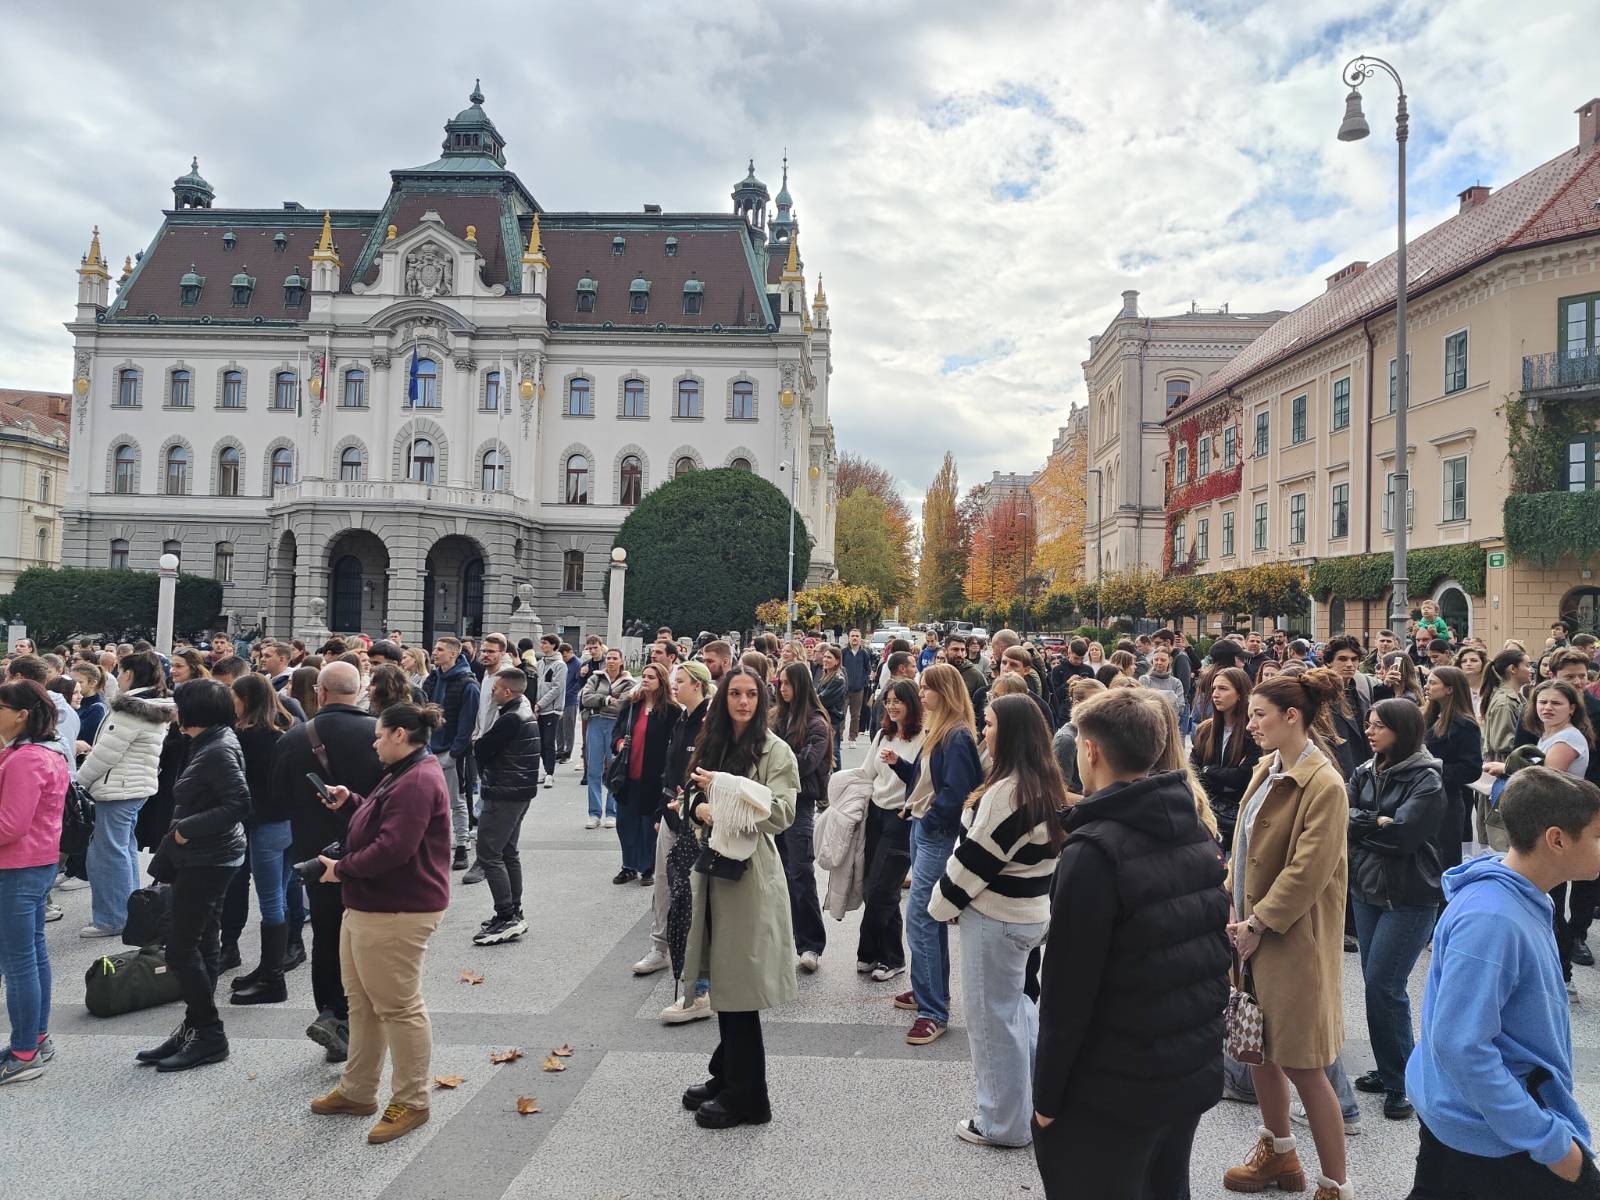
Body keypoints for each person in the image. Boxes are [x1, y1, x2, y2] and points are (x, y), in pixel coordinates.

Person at [1032, 687, 1231, 1199]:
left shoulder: (1093, 851)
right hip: (1183, 1067)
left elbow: (1067, 990)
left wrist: (1046, 1097)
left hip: (1114, 1082)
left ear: (1091, 750)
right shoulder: (1195, 828)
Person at [1405, 767, 1600, 1197]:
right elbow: (1461, 1045)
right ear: (1557, 839)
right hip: (1494, 1134)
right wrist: (1551, 1144)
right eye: (1597, 835)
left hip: (1470, 1117)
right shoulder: (1492, 919)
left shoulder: (1523, 895)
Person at [1222, 669, 1353, 1198]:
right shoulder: (1268, 766)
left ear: (1291, 717)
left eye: (1259, 715)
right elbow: (1243, 848)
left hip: (1291, 942)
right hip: (1249, 935)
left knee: (1304, 1065)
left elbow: (1308, 871)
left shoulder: (1324, 783)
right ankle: (1279, 1153)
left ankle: (1335, 1185)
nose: (1250, 724)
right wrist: (1231, 902)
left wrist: (1257, 923)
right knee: (1257, 1049)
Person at [308, 703, 452, 1144]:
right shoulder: (405, 771)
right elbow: (383, 824)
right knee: (363, 1004)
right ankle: (358, 1090)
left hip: (397, 909)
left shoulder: (418, 778)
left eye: (378, 735)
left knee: (399, 1008)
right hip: (372, 905)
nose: (373, 743)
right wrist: (351, 802)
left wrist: (341, 869)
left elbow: (394, 849)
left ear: (400, 734)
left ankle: (412, 1101)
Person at [929, 693, 1063, 1148]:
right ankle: (1032, 1106)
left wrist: (939, 907)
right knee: (1016, 1011)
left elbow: (974, 861)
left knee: (992, 1022)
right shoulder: (1044, 782)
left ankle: (1001, 1123)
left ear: (1011, 733)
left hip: (996, 918)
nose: (982, 731)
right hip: (1027, 915)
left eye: (988, 723)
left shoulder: (1008, 793)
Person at [677, 666, 801, 1129]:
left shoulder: (776, 750)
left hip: (749, 877)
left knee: (740, 987)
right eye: (735, 694)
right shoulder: (712, 741)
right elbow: (689, 796)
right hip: (712, 869)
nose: (744, 702)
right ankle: (727, 1073)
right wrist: (700, 809)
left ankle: (750, 1098)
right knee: (725, 980)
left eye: (751, 694)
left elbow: (782, 813)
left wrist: (726, 798)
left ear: (763, 700)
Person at [136, 679, 250, 1073]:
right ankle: (195, 1026)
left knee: (181, 948)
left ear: (194, 711)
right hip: (210, 854)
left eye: (180, 705)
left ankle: (209, 1032)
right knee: (202, 942)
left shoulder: (217, 748)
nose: (174, 711)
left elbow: (239, 803)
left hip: (207, 857)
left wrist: (186, 830)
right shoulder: (210, 741)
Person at [1346, 698, 1445, 1121]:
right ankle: (1391, 1069)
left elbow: (1404, 836)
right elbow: (1341, 818)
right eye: (1368, 724)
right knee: (1376, 984)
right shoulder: (1364, 770)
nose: (1369, 732)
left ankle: (1403, 1080)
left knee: (1385, 985)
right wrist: (1376, 822)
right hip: (1366, 888)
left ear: (1402, 731)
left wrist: (1364, 825)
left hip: (1409, 894)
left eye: (1379, 726)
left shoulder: (1427, 778)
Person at [894, 663, 982, 1045]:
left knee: (923, 916)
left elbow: (958, 790)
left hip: (936, 833)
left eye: (926, 688)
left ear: (944, 692)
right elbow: (925, 779)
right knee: (928, 914)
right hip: (923, 827)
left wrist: (930, 820)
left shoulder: (956, 735)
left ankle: (933, 1010)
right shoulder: (939, 729)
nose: (921, 694)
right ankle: (928, 989)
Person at [0, 681, 69, 1084]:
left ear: (22, 714)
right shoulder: (44, 752)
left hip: (17, 867)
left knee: (18, 962)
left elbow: (10, 825)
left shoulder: (26, 759)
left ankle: (25, 1051)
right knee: (31, 956)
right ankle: (35, 1040)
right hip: (35, 863)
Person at [77, 650, 174, 939]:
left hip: (118, 788)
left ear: (129, 674)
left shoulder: (131, 709)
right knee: (122, 849)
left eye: (120, 672)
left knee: (107, 854)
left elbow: (106, 754)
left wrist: (78, 782)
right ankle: (129, 911)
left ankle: (113, 917)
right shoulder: (152, 705)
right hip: (131, 786)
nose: (117, 677)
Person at [640, 661, 714, 1023]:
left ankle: (697, 974)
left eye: (679, 681)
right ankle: (660, 948)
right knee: (662, 883)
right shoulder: (682, 718)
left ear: (697, 685)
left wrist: (691, 805)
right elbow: (669, 768)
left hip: (694, 817)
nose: (674, 686)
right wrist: (662, 807)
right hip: (671, 812)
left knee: (690, 893)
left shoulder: (708, 723)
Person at [226, 674, 297, 1006]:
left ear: (247, 700)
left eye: (234, 697)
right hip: (289, 821)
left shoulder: (249, 736)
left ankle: (273, 979)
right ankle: (270, 968)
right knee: (278, 895)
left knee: (270, 900)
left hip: (265, 822)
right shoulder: (287, 726)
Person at [472, 668, 541, 946]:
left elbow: (482, 748)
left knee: (489, 853)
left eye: (496, 688)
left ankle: (507, 916)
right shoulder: (522, 710)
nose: (492, 692)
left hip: (504, 791)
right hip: (518, 791)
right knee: (508, 851)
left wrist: (478, 747)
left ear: (508, 692)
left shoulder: (511, 717)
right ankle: (513, 910)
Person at [771, 662, 831, 972]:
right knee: (775, 874)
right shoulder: (776, 717)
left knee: (800, 873)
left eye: (788, 683)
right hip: (771, 801)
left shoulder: (816, 722)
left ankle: (810, 944)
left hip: (800, 803)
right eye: (780, 683)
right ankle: (781, 940)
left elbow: (805, 764)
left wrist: (774, 760)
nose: (782, 689)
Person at [610, 662, 678, 886]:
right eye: (644, 676)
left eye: (651, 677)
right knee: (625, 822)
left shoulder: (672, 711)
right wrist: (619, 743)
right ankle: (628, 865)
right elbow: (617, 731)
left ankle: (647, 867)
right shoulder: (632, 704)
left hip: (654, 776)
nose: (646, 680)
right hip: (627, 774)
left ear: (662, 681)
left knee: (648, 823)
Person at [1190, 666, 1262, 853]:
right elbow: (1193, 772)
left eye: (1223, 689)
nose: (1215, 694)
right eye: (1214, 688)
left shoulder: (1254, 732)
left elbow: (1244, 777)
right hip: (1208, 817)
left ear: (1240, 694)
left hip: (1239, 819)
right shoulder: (1206, 730)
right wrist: (1222, 775)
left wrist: (1210, 770)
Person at [1421, 666, 1484, 874]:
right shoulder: (1430, 716)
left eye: (1432, 683)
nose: (1427, 687)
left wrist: (1433, 769)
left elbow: (1471, 769)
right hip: (1424, 799)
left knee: (1444, 864)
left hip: (1447, 803)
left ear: (1449, 689)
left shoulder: (1465, 725)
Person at [425, 637, 480, 870]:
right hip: (428, 749)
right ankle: (435, 847)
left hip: (452, 752)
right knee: (429, 802)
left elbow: (467, 723)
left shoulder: (468, 683)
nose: (434, 652)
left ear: (453, 654)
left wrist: (455, 752)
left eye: (440, 649)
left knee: (457, 800)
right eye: (435, 648)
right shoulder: (432, 678)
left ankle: (461, 846)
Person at [580, 648, 635, 831]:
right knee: (593, 769)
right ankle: (594, 813)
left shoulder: (629, 682)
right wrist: (606, 700)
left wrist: (603, 701)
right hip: (595, 722)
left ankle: (612, 812)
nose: (611, 661)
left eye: (615, 658)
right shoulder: (595, 678)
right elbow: (586, 698)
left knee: (614, 769)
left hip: (615, 725)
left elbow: (624, 705)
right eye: (609, 658)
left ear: (621, 661)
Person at [534, 634, 565, 791]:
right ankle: (546, 769)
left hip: (551, 709)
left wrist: (540, 704)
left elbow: (557, 688)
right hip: (538, 709)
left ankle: (550, 773)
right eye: (541, 643)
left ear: (553, 645)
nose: (542, 645)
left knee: (548, 742)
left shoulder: (560, 665)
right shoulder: (540, 663)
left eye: (545, 643)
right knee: (540, 743)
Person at [815, 645, 848, 769]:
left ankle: (837, 774)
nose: (825, 660)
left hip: (832, 718)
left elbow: (823, 699)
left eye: (829, 658)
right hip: (825, 717)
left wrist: (811, 698)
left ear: (837, 661)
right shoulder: (825, 675)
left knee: (834, 750)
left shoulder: (838, 679)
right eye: (824, 657)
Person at [842, 630, 873, 746]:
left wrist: (862, 682)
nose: (854, 638)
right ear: (849, 638)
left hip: (858, 689)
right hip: (844, 689)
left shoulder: (864, 653)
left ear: (860, 638)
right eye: (852, 636)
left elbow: (867, 669)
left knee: (856, 715)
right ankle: (839, 737)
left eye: (857, 636)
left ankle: (852, 738)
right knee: (841, 713)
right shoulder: (843, 652)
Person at [559, 642, 582, 763]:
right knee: (559, 727)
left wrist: (571, 693)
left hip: (570, 700)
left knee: (568, 728)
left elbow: (579, 682)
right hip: (560, 699)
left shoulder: (577, 664)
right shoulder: (563, 663)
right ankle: (559, 750)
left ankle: (568, 753)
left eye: (565, 656)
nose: (564, 658)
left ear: (570, 652)